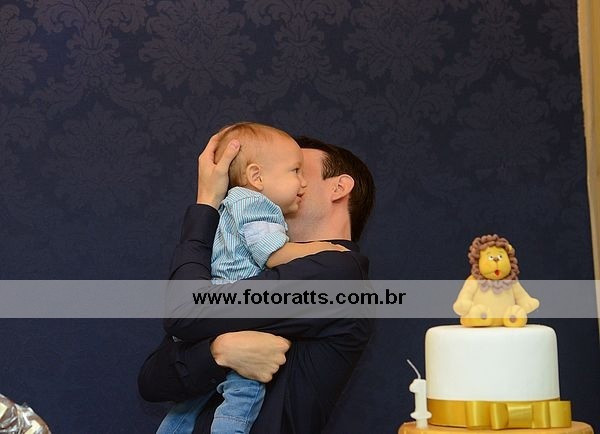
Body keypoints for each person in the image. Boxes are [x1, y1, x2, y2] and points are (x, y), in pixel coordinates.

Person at [138, 131, 376, 434]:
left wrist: (207, 204)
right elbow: (152, 380)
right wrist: (219, 351)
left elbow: (185, 312)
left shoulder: (339, 273)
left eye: (299, 170)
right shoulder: (246, 261)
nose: (294, 182)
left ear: (339, 188)